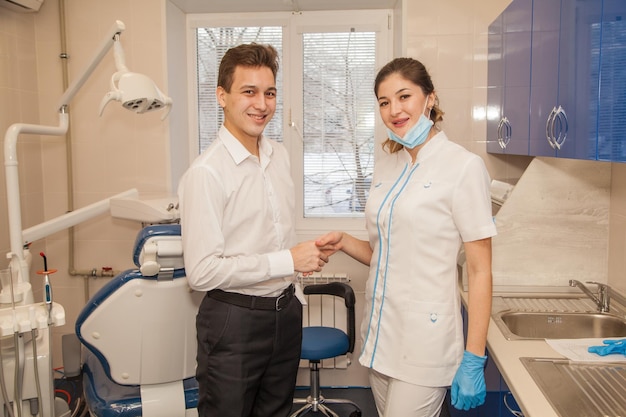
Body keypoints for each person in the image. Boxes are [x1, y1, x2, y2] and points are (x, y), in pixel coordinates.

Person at [316, 57, 496, 417]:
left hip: (425, 345)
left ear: (429, 98)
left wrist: (474, 357)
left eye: (404, 97)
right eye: (384, 102)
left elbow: (480, 271)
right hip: (382, 337)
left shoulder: (463, 167)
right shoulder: (387, 167)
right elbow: (386, 252)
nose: (394, 110)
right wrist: (344, 241)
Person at [178, 43, 328, 417]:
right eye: (249, 92)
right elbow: (201, 272)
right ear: (222, 96)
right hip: (234, 321)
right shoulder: (206, 173)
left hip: (285, 312)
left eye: (270, 93)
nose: (262, 104)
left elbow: (272, 235)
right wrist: (286, 259)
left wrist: (298, 261)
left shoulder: (280, 156)